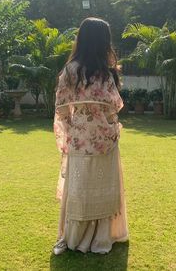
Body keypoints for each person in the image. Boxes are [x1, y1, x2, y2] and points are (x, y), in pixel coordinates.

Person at [53, 17, 128, 255]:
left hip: (79, 138)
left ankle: (75, 238)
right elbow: (115, 106)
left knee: (79, 188)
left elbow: (61, 108)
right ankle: (101, 238)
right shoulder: (106, 74)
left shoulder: (70, 71)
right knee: (104, 185)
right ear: (104, 42)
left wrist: (72, 128)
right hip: (105, 138)